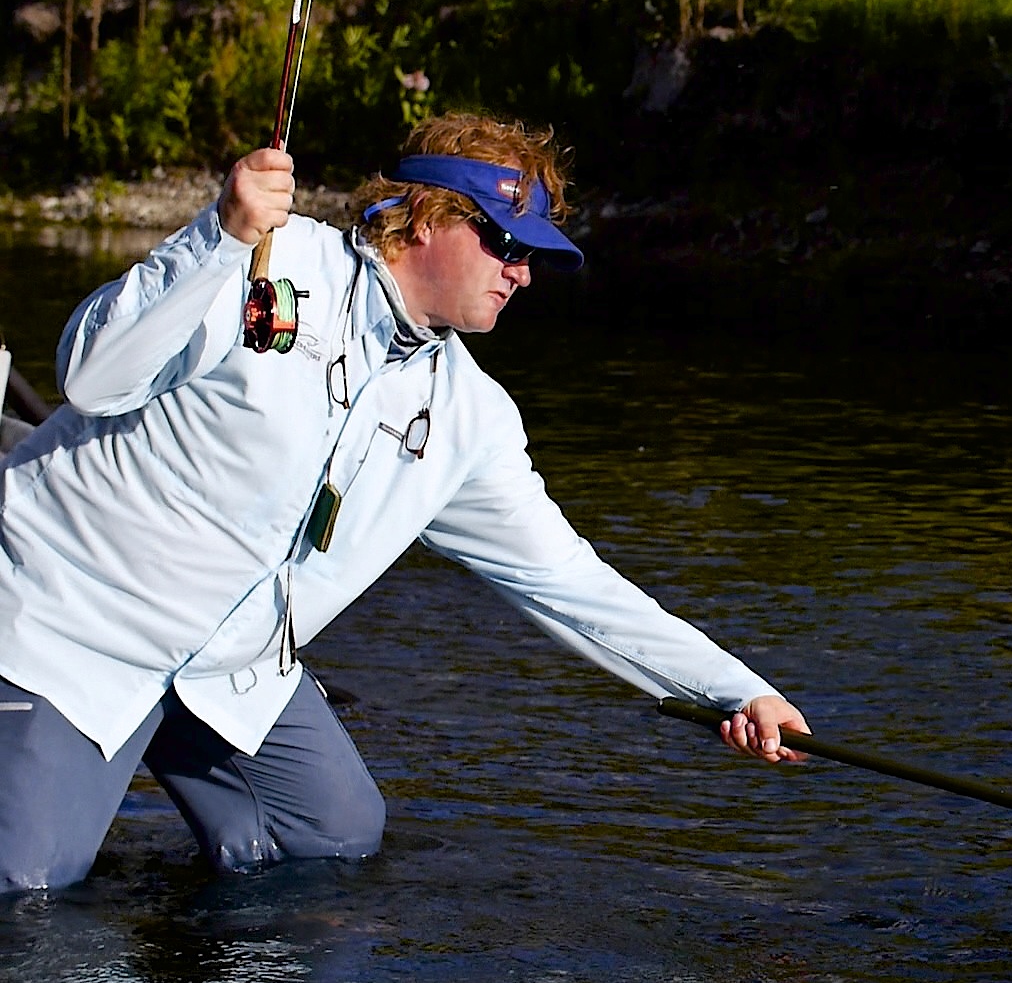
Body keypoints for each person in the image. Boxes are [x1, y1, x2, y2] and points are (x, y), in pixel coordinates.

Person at [0, 112, 808, 892]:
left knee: (331, 841)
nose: (522, 272)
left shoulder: (470, 416)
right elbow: (93, 379)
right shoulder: (268, 259)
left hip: (223, 665)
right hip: (69, 626)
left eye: (535, 255)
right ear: (424, 218)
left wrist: (737, 691)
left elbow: (572, 584)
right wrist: (218, 238)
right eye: (506, 244)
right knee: (25, 887)